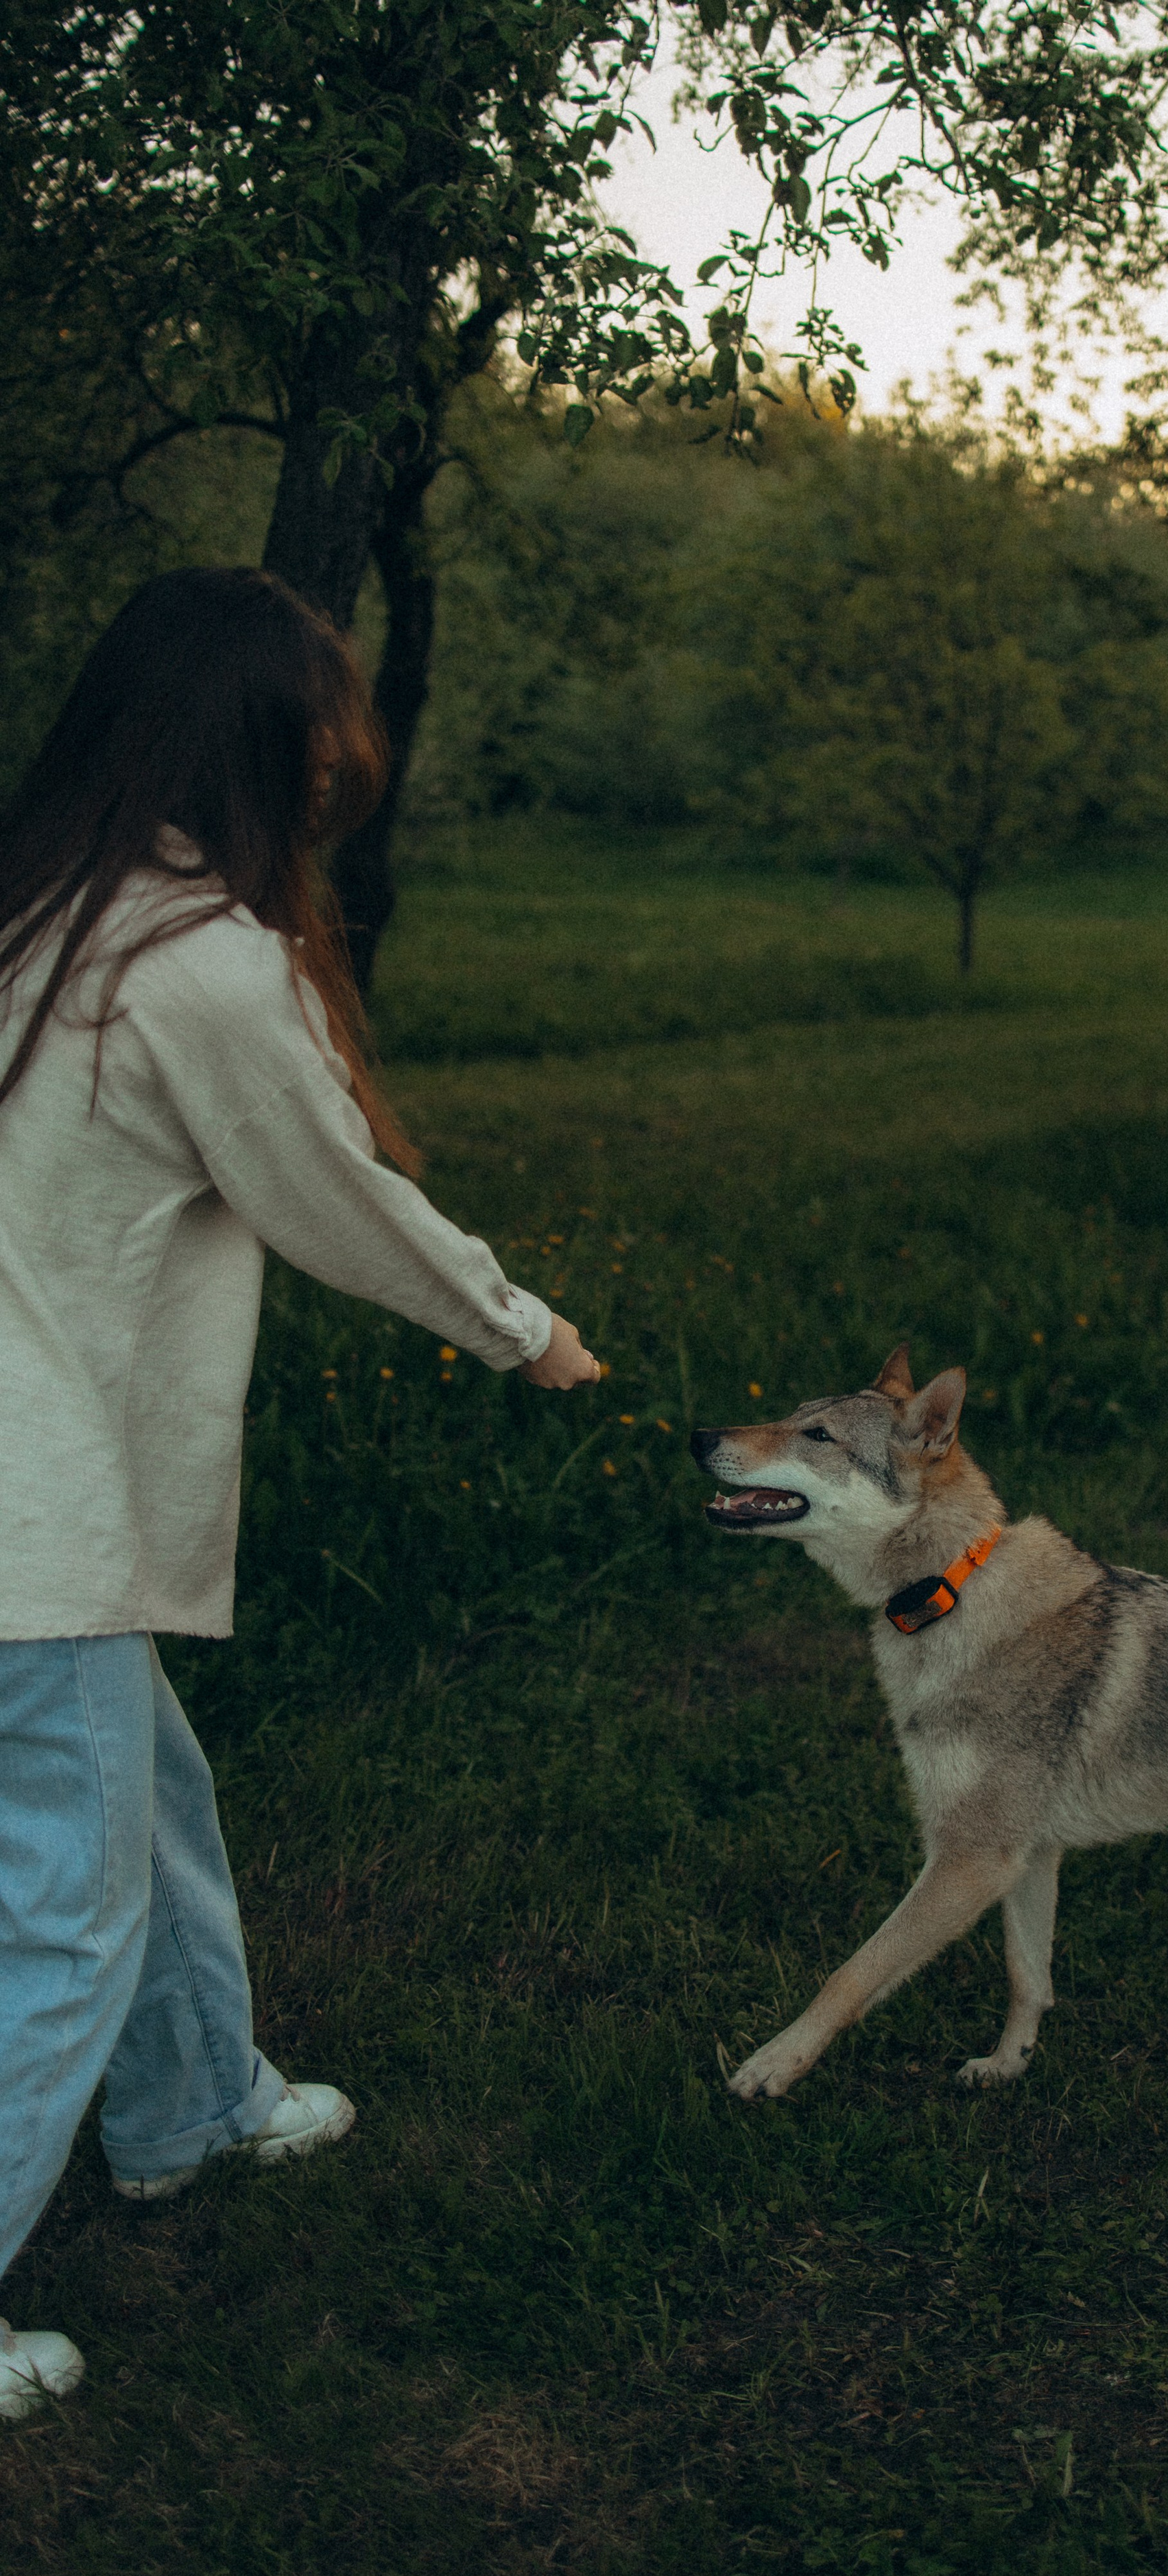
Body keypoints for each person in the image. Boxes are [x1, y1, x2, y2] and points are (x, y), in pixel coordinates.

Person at [0, 569, 600, 2418]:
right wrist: (524, 1331)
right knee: (64, 1910)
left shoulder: (42, 922)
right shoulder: (194, 961)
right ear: (263, 745)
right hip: (39, 1518)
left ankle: (193, 2105)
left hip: (31, 1503)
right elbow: (331, 1193)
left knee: (139, 1791)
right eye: (324, 733)